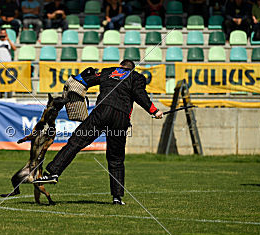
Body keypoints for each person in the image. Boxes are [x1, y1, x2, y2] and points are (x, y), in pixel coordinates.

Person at [33, 60, 164, 205]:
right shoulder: (137, 77)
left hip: (103, 112)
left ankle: (53, 173)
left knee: (76, 142)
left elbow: (83, 81)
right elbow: (140, 95)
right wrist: (154, 111)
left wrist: (80, 77)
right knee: (116, 158)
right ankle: (117, 197)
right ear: (132, 69)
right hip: (121, 118)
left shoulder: (108, 72)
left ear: (120, 66)